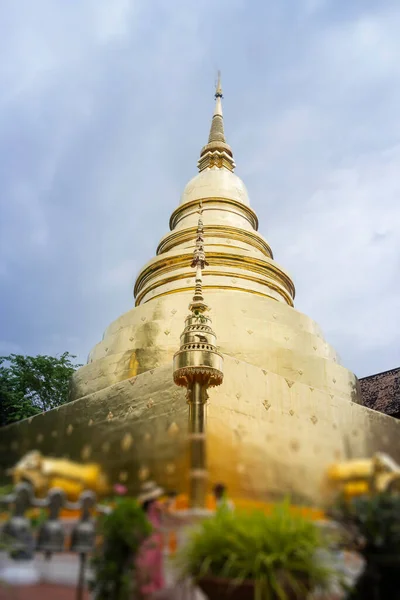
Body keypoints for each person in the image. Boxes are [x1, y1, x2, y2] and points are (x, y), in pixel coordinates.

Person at [135, 481, 166, 598]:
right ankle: (149, 588)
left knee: (144, 560)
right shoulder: (156, 505)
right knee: (152, 561)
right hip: (153, 535)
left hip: (146, 535)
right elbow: (166, 511)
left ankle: (144, 587)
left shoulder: (143, 507)